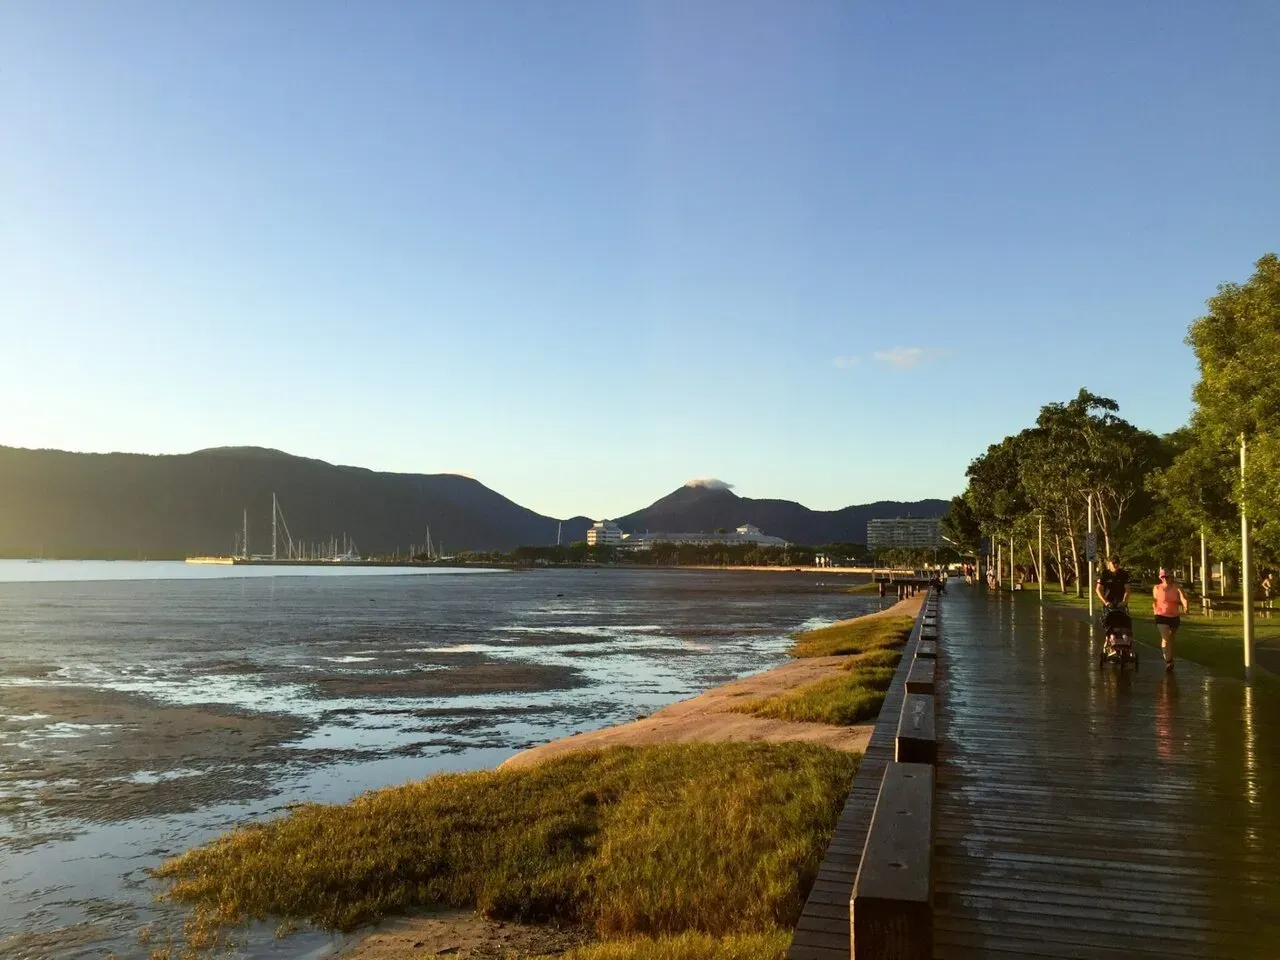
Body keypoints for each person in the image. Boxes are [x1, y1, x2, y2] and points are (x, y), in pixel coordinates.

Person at [1152, 567, 1188, 672]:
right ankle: (1168, 661)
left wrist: (1186, 607)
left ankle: (1170, 658)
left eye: (1167, 576)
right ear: (1160, 578)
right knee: (1166, 637)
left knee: (1171, 638)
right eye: (1163, 577)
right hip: (1160, 616)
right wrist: (1155, 611)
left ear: (1171, 577)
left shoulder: (1176, 587)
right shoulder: (1157, 588)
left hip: (1174, 616)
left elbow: (1183, 598)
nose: (1165, 579)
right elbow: (1154, 601)